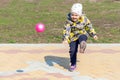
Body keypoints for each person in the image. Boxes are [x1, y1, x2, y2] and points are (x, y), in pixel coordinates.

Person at [62, 3, 98, 71]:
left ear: (80, 15)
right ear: (70, 14)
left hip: (82, 33)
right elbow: (66, 30)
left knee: (82, 37)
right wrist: (65, 39)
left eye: (76, 15)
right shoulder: (68, 21)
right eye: (72, 15)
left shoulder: (84, 19)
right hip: (72, 37)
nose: (74, 17)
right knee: (72, 51)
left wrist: (93, 34)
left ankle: (82, 44)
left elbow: (89, 27)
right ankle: (73, 64)